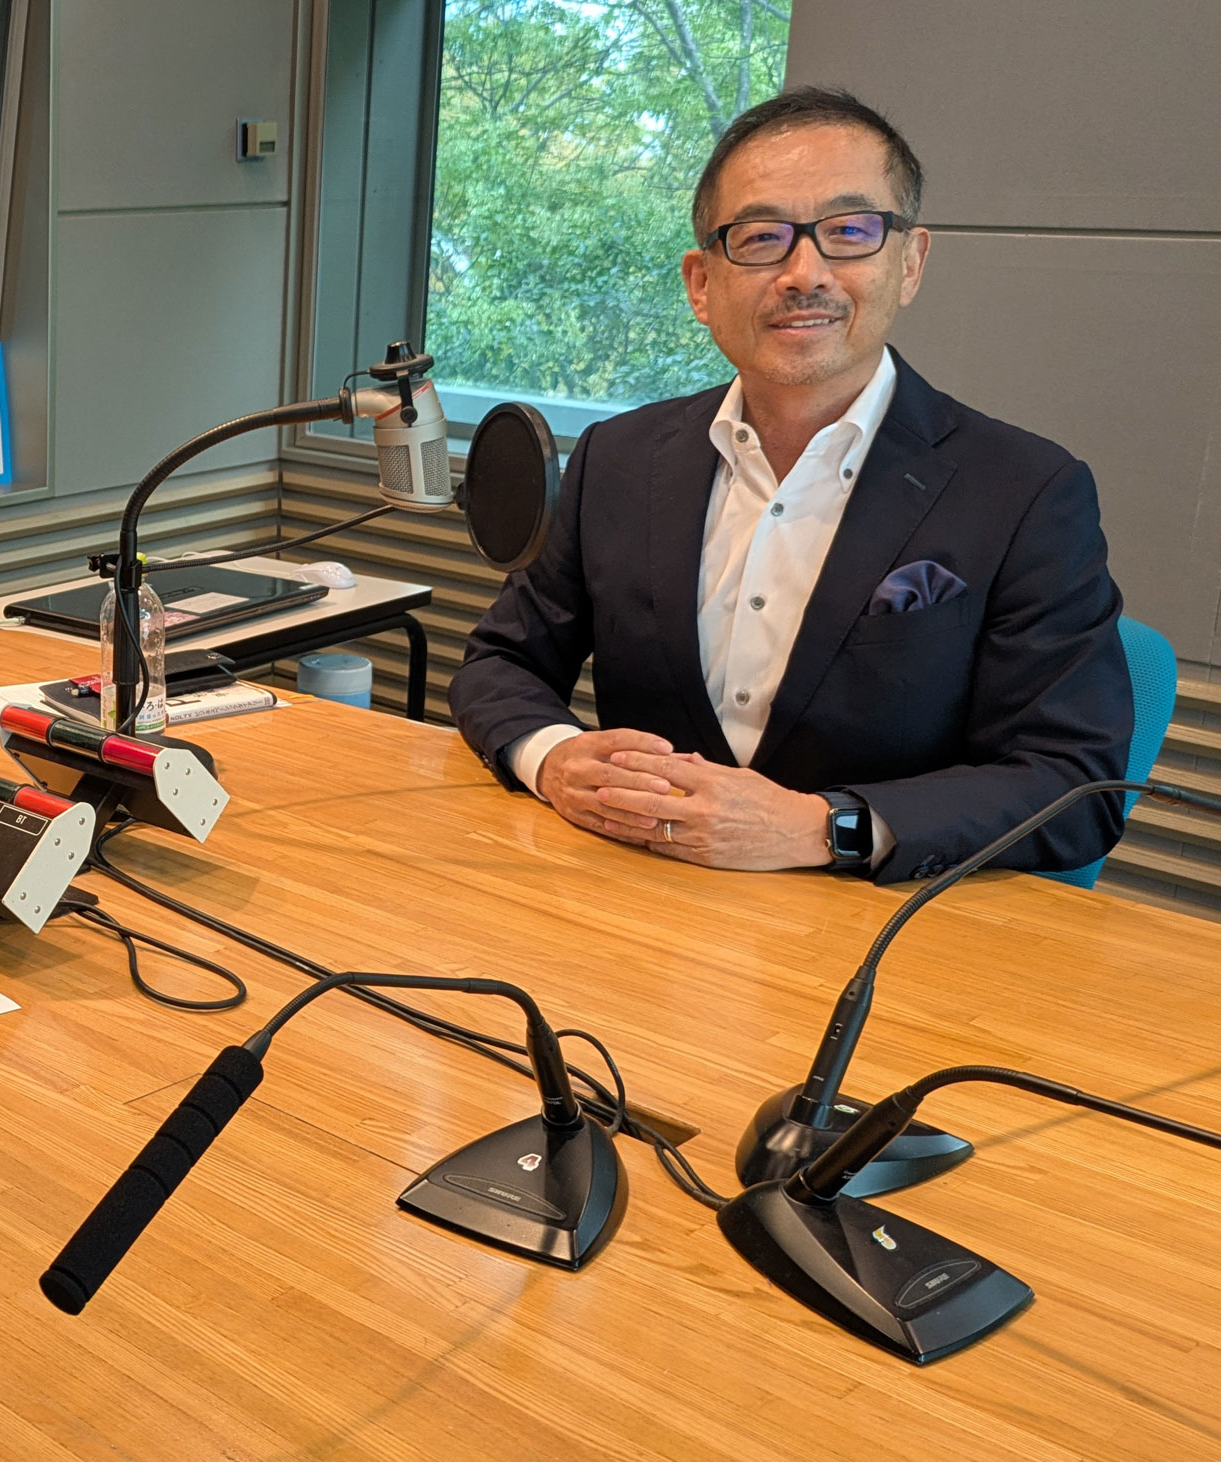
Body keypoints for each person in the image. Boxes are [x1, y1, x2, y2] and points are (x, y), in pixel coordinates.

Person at [448, 87, 1131, 883]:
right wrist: (553, 757)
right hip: (635, 896)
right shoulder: (618, 458)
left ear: (909, 263)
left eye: (849, 231)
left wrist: (825, 827)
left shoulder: (1025, 491)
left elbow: (1075, 784)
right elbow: (500, 664)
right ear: (701, 284)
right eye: (761, 238)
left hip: (876, 922)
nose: (804, 274)